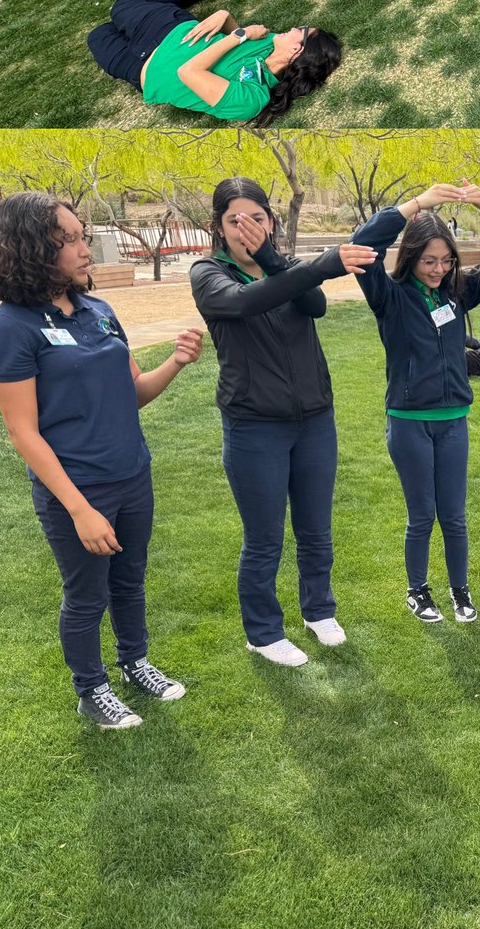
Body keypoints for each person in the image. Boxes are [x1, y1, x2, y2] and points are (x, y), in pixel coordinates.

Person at [0, 192, 204, 729]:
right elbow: (23, 432)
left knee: (130, 580)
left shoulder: (98, 312)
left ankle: (135, 663)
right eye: (70, 240)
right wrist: (80, 509)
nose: (85, 249)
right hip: (76, 490)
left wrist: (174, 362)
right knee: (87, 595)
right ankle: (92, 689)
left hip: (132, 475)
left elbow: (134, 394)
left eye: (83, 237)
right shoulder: (11, 327)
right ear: (33, 248)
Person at [189, 179, 376, 666]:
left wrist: (280, 261)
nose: (245, 227)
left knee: (316, 528)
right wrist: (320, 266)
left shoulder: (286, 266)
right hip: (254, 425)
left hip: (313, 418)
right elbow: (245, 303)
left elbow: (313, 304)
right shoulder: (208, 273)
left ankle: (319, 610)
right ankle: (264, 631)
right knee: (265, 537)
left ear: (270, 222)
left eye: (256, 217)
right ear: (220, 227)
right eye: (234, 219)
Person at [352, 183, 480, 624]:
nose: (439, 269)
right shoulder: (388, 295)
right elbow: (363, 242)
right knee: (422, 515)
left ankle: (460, 591)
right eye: (429, 261)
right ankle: (417, 591)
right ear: (411, 257)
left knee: (455, 515)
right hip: (409, 422)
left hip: (453, 422)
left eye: (446, 261)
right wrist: (418, 205)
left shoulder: (455, 291)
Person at [88, 0, 340, 124]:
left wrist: (240, 34)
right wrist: (224, 16)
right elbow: (235, 36)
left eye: (302, 29)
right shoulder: (270, 41)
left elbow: (187, 72)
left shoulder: (252, 100)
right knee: (122, 6)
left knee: (97, 34)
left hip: (141, 70)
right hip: (169, 30)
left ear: (297, 48)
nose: (295, 26)